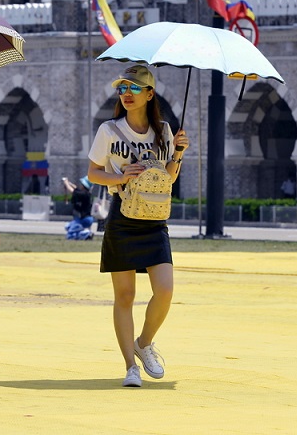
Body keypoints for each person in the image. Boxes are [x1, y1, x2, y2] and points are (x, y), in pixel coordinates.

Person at [87, 64, 188, 388]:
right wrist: (120, 177)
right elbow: (93, 173)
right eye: (122, 89)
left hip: (155, 219)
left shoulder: (165, 132)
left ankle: (143, 344)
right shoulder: (109, 130)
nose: (126, 94)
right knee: (125, 296)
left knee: (165, 290)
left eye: (133, 89)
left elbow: (169, 177)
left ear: (149, 93)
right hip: (123, 216)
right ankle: (130, 366)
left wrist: (180, 153)